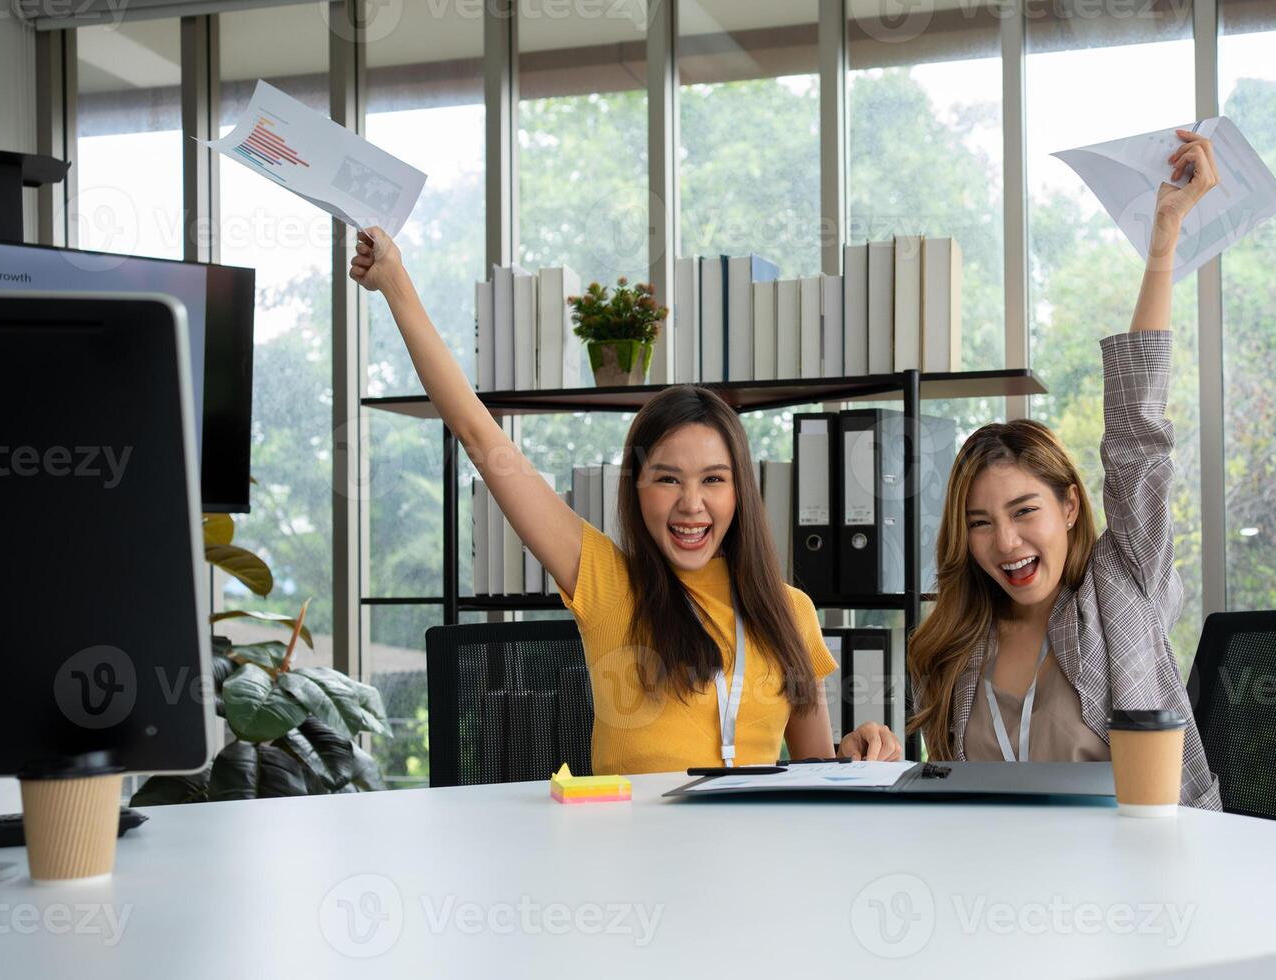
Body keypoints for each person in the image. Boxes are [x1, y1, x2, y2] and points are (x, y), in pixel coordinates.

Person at [347, 238, 901, 774]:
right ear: (636, 489)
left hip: (748, 857)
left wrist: (853, 751)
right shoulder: (609, 583)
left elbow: (812, 771)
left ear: (740, 493)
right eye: (667, 479)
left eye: (713, 479)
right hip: (628, 856)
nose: (692, 505)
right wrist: (396, 284)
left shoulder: (790, 612)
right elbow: (477, 433)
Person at [907, 128, 1222, 809]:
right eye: (981, 524)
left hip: (1137, 886)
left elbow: (1138, 438)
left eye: (1025, 513)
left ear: (1070, 507)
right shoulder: (956, 647)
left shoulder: (1121, 588)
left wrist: (1163, 240)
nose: (1008, 544)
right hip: (998, 892)